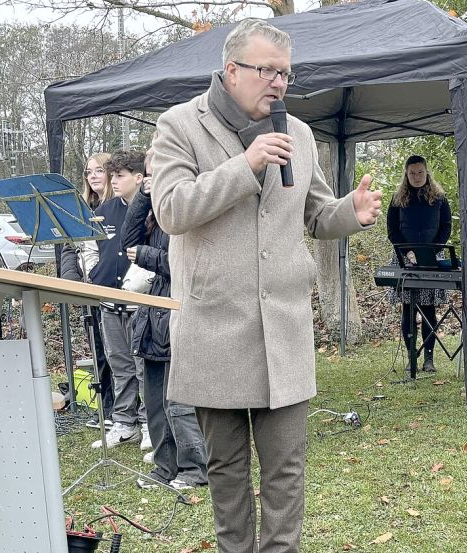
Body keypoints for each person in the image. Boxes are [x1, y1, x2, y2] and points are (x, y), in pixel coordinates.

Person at [151, 18, 382, 553]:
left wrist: (352, 211)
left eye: (286, 73)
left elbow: (318, 214)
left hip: (283, 328)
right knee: (226, 473)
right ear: (232, 71)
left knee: (286, 471)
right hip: (215, 329)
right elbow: (170, 210)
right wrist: (244, 166)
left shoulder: (298, 133)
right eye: (267, 71)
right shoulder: (180, 125)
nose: (279, 83)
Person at [121, 148, 208, 490]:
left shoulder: (191, 200)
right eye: (149, 166)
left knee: (180, 401)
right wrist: (144, 196)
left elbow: (192, 264)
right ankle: (164, 468)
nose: (153, 171)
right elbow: (127, 241)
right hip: (155, 311)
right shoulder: (155, 206)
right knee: (154, 400)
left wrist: (147, 255)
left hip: (183, 308)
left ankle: (194, 469)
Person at [89, 150, 150, 451]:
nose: (113, 181)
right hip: (108, 301)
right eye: (111, 175)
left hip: (140, 302)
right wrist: (91, 271)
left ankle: (151, 423)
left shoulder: (152, 210)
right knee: (120, 365)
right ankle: (125, 423)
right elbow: (89, 245)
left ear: (139, 178)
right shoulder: (105, 210)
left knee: (143, 366)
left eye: (119, 176)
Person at [61, 152, 116, 429]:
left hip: (107, 286)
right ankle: (106, 407)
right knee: (97, 350)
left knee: (113, 352)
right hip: (85, 289)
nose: (92, 176)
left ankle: (124, 411)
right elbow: (70, 247)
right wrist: (71, 278)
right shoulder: (83, 209)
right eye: (88, 172)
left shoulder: (115, 208)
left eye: (98, 171)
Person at [386, 154, 452, 373]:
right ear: (406, 174)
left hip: (431, 258)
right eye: (412, 173)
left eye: (420, 172)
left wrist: (431, 251)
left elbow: (446, 227)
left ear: (427, 172)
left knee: (428, 309)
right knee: (408, 309)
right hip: (405, 258)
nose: (416, 176)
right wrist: (409, 252)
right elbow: (393, 231)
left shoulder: (439, 198)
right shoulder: (397, 199)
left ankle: (429, 358)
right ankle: (411, 356)